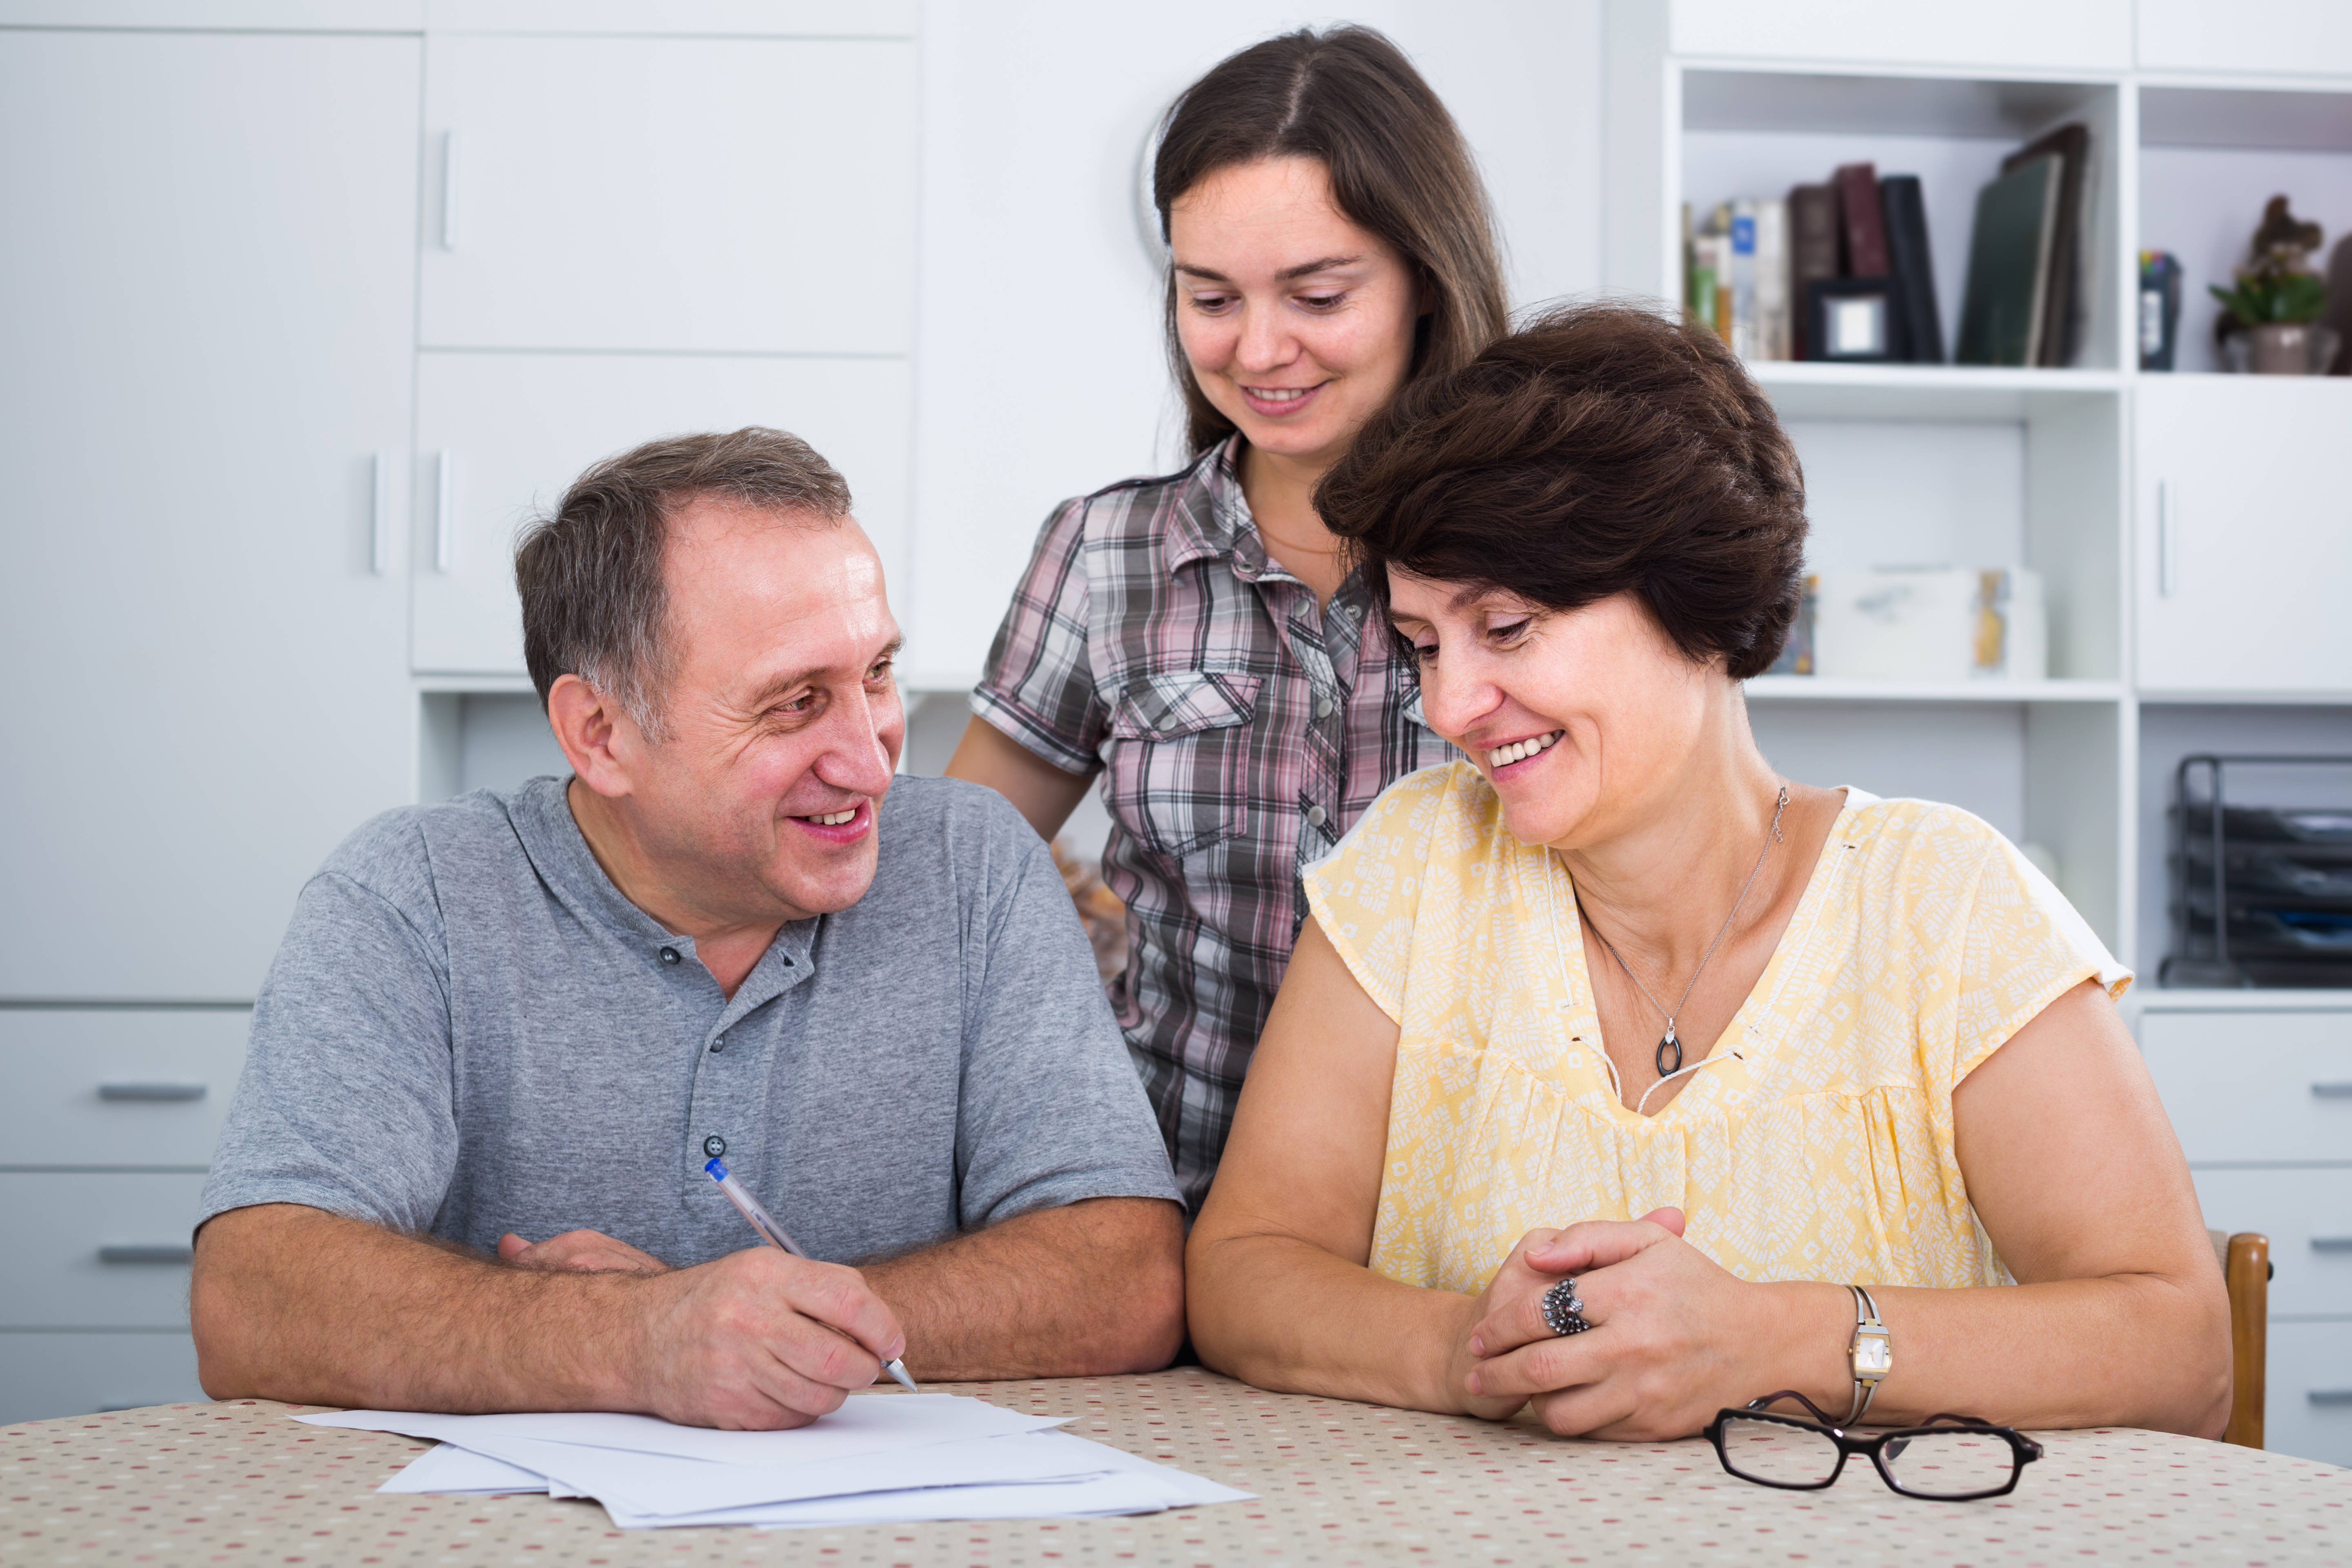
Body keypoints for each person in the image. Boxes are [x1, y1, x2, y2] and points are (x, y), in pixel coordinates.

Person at [1185, 305, 2230, 1441]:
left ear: (1694, 599)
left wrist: (1766, 1344)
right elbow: (1243, 1270)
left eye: (1510, 628)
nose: (1450, 708)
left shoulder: (1945, 906)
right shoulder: (1415, 865)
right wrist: (1470, 1352)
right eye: (1428, 644)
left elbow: (2179, 1348)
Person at [189, 429, 1185, 1429]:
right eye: (796, 703)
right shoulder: (414, 898)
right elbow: (253, 1299)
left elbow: (1125, 1278)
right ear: (602, 734)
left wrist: (728, 1324)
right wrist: (643, 1336)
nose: (875, 765)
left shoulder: (974, 864)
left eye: (876, 675)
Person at [946, 26, 1509, 1207]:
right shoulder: (1107, 555)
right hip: (1158, 1210)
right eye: (1212, 298)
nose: (1260, 349)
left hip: (1470, 1225)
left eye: (1318, 295)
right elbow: (950, 880)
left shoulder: (1545, 563)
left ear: (1424, 278)